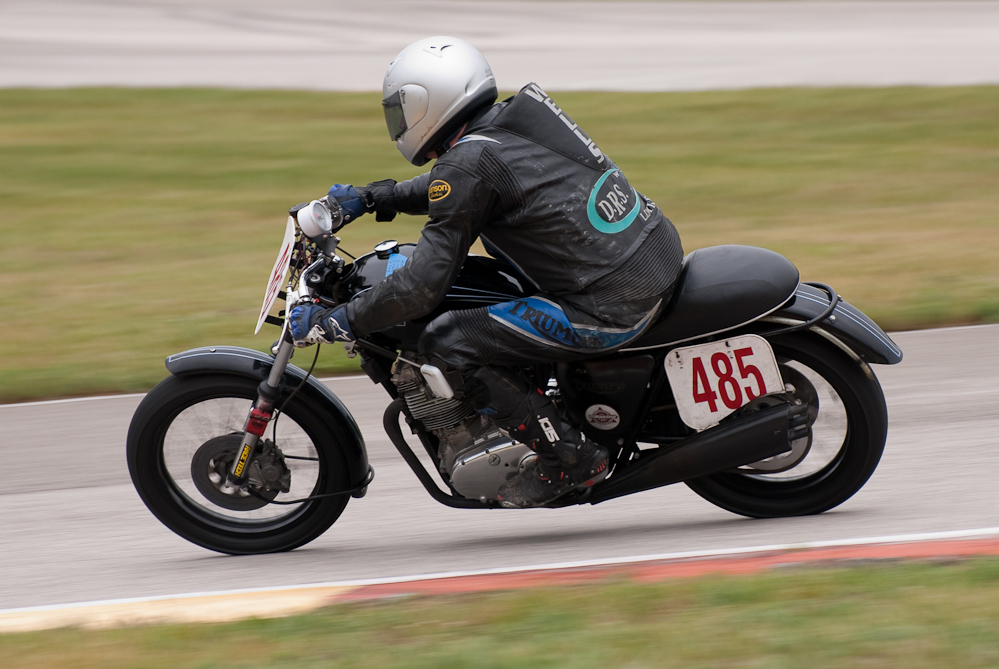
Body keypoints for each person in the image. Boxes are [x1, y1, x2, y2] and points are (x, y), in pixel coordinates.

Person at [289, 36, 683, 507]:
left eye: (402, 107)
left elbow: (420, 287)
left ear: (428, 100)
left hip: (610, 303)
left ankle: (573, 457)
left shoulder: (471, 162)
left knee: (447, 340)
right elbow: (454, 185)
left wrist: (341, 320)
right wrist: (375, 198)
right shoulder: (516, 117)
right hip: (647, 255)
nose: (398, 120)